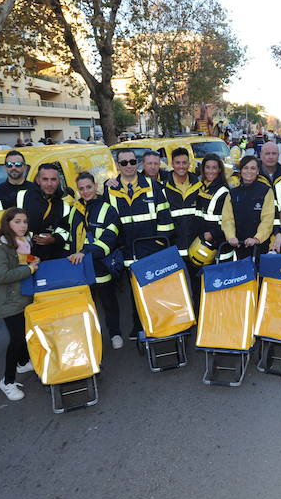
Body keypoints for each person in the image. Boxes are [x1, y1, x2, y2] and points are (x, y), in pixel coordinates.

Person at [105, 148, 174, 339]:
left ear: (138, 164)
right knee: (134, 292)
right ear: (118, 165)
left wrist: (159, 245)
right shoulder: (109, 189)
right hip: (125, 252)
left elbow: (165, 218)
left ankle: (159, 324)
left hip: (150, 251)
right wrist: (116, 247)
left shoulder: (153, 186)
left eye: (132, 162)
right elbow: (106, 222)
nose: (129, 166)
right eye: (124, 163)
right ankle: (138, 326)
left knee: (154, 289)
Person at [0, 208, 40, 401]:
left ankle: (23, 362)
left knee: (24, 333)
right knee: (16, 339)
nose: (22, 225)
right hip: (7, 300)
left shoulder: (22, 241)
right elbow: (0, 276)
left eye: (24, 221)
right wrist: (29, 270)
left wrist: (32, 262)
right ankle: (7, 382)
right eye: (17, 221)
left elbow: (20, 262)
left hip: (21, 296)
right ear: (7, 223)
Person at [67, 172, 124, 349]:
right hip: (79, 267)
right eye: (81, 188)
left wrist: (86, 252)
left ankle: (115, 334)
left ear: (96, 187)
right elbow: (69, 235)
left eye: (88, 187)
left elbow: (110, 238)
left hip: (100, 266)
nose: (85, 191)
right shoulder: (75, 209)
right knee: (85, 306)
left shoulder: (108, 209)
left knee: (109, 303)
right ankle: (90, 337)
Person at [223, 155, 275, 260]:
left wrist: (257, 238)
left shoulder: (265, 191)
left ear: (257, 171)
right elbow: (227, 219)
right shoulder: (233, 193)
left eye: (252, 168)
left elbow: (268, 219)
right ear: (240, 170)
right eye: (245, 168)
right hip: (239, 245)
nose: (249, 171)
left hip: (260, 245)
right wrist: (231, 237)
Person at [0, 150, 43, 226]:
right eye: (9, 165)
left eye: (18, 164)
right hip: (4, 236)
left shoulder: (36, 190)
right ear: (5, 168)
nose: (13, 168)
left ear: (24, 167)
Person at [162, 147, 202, 258]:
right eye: (177, 163)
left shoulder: (199, 186)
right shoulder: (163, 188)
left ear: (189, 164)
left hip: (196, 248)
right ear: (172, 164)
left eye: (184, 163)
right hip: (174, 249)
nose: (181, 166)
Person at [31, 163, 72, 261]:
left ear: (58, 181)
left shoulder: (64, 206)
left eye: (53, 179)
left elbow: (65, 231)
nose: (49, 184)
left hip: (50, 259)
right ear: (38, 180)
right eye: (45, 179)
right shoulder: (23, 196)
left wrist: (54, 239)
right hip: (23, 259)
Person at [195, 153, 231, 258]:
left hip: (217, 242)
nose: (210, 171)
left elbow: (228, 220)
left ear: (220, 170)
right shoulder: (201, 187)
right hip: (202, 241)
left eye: (214, 168)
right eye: (207, 167)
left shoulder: (224, 191)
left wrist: (213, 233)